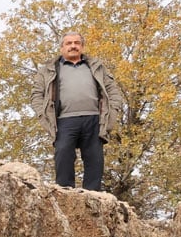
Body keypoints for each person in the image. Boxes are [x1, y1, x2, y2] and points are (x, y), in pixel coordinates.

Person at [33, 32, 124, 191]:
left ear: (82, 46)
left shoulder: (96, 66)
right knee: (63, 156)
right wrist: (43, 116)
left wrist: (113, 112)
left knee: (95, 160)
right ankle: (65, 195)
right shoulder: (48, 70)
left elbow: (112, 90)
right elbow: (36, 95)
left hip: (94, 119)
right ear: (62, 47)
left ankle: (93, 197)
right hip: (63, 120)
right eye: (68, 43)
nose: (73, 46)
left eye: (76, 43)